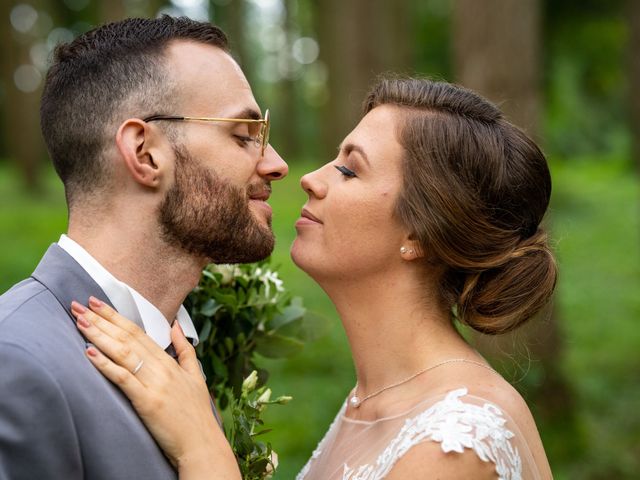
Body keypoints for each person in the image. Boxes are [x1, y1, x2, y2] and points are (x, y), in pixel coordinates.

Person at [70, 77, 557, 479]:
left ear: (422, 231)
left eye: (349, 169)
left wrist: (204, 452)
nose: (308, 177)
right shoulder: (370, 399)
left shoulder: (454, 442)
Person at [0, 16, 288, 480]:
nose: (276, 165)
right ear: (144, 153)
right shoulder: (15, 364)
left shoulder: (179, 351)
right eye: (243, 134)